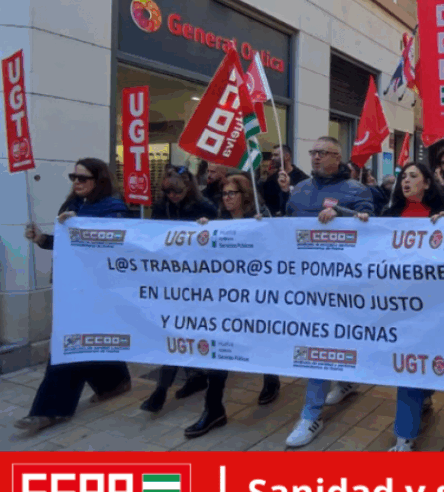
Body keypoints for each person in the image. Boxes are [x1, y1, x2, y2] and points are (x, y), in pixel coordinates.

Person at [18, 158, 133, 433]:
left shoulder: (114, 210)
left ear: (99, 180)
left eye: (82, 178)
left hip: (98, 290)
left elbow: (118, 248)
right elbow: (63, 244)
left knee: (69, 344)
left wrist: (81, 227)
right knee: (87, 343)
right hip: (72, 288)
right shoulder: (72, 206)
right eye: (73, 177)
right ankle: (114, 382)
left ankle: (49, 409)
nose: (77, 182)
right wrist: (42, 238)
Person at [280, 136, 374, 447]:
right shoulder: (301, 189)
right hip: (303, 282)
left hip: (340, 285)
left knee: (319, 347)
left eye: (323, 153)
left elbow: (373, 228)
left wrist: (343, 216)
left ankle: (311, 415)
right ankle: (345, 383)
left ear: (338, 157)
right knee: (319, 343)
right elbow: (283, 227)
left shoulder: (357, 190)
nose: (316, 157)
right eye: (313, 152)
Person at [186, 174, 279, 438]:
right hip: (226, 299)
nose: (226, 199)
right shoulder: (219, 223)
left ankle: (271, 378)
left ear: (244, 196)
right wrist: (203, 230)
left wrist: (266, 229)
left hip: (256, 296)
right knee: (219, 349)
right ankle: (213, 408)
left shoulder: (260, 218)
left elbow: (276, 251)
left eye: (232, 194)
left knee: (260, 340)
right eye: (224, 194)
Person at [381, 163, 444, 451]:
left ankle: (424, 394)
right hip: (399, 304)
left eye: (413, 176)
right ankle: (404, 436)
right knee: (407, 365)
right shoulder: (387, 215)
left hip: (434, 304)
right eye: (403, 177)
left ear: (427, 184)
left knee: (424, 359)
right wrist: (361, 222)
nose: (406, 181)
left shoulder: (443, 216)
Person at [140, 166, 219, 413]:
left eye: (177, 192)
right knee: (175, 332)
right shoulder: (162, 206)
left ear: (189, 188)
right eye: (168, 192)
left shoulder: (204, 207)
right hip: (170, 278)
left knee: (181, 331)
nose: (172, 196)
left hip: (197, 281)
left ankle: (162, 391)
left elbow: (217, 241)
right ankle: (188, 377)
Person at [262, 145, 309, 216]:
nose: (272, 158)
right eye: (272, 155)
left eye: (276, 155)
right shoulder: (270, 179)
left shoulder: (302, 178)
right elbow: (266, 203)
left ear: (287, 156)